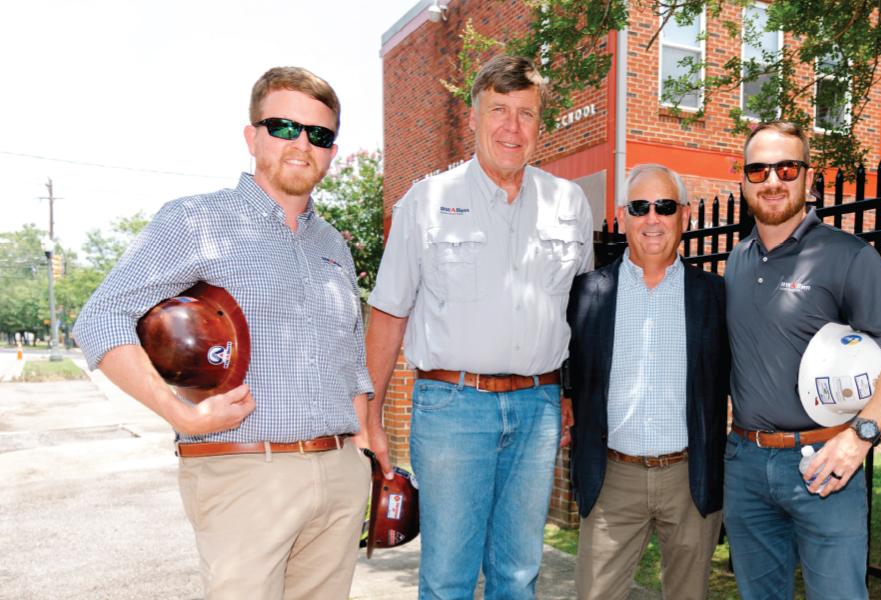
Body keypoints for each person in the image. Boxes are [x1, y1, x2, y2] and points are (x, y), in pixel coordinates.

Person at [73, 67, 373, 600]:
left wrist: (365, 446)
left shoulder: (333, 244)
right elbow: (101, 318)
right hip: (243, 473)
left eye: (320, 135)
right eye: (284, 127)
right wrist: (182, 415)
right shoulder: (196, 220)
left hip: (339, 473)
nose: (302, 144)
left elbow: (351, 356)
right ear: (251, 135)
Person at [364, 54, 594, 599]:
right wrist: (369, 415)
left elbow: (582, 313)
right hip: (452, 408)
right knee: (448, 578)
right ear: (472, 116)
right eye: (498, 110)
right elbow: (389, 313)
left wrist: (569, 394)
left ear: (542, 124)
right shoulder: (427, 202)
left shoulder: (570, 204)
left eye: (526, 113)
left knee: (519, 575)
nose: (512, 128)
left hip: (537, 410)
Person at [723, 120, 881, 599]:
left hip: (824, 463)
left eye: (786, 168)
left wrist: (861, 436)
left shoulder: (845, 255)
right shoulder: (737, 260)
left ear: (809, 178)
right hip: (746, 466)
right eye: (758, 171)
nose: (772, 181)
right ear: (743, 182)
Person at [567, 164, 728, 600]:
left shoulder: (716, 295)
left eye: (665, 206)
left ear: (685, 216)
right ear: (622, 217)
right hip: (613, 478)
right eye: (640, 207)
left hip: (688, 479)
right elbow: (567, 369)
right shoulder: (585, 293)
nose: (652, 219)